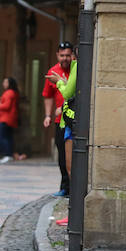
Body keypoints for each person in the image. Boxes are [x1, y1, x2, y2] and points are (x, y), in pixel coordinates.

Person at [42, 41, 73, 197]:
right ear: (57, 55)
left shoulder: (75, 69)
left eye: (68, 55)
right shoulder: (52, 72)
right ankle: (65, 187)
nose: (65, 59)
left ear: (72, 55)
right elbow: (48, 96)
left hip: (73, 118)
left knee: (72, 155)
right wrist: (48, 115)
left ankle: (73, 187)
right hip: (59, 120)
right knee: (62, 154)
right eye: (62, 56)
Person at [0, 77, 19, 164]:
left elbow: (7, 106)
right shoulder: (12, 93)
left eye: (6, 82)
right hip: (9, 118)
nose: (4, 84)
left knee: (3, 138)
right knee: (8, 137)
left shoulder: (9, 93)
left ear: (10, 84)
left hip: (6, 118)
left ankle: (3, 155)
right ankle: (6, 155)